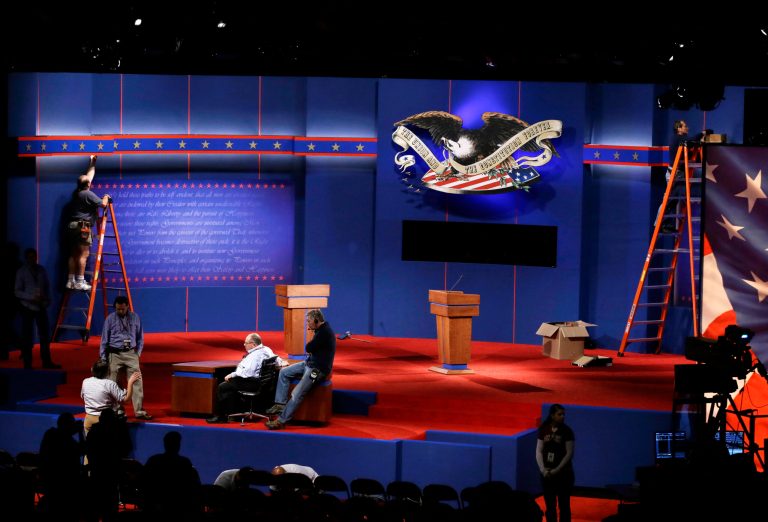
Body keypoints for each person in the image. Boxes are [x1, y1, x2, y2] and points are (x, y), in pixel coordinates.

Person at [265, 309, 336, 430]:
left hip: (317, 370)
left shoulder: (324, 333)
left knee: (297, 393)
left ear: (316, 320)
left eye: (309, 321)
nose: (307, 324)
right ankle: (280, 404)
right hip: (309, 363)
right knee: (284, 372)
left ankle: (281, 421)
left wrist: (312, 346)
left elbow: (308, 347)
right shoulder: (320, 330)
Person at [206, 332, 285, 423]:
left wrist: (233, 374)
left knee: (222, 387)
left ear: (253, 344)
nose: (244, 344)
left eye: (246, 343)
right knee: (230, 385)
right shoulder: (266, 349)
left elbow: (248, 373)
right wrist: (281, 362)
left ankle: (220, 417)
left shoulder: (254, 356)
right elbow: (276, 358)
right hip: (261, 383)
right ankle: (233, 413)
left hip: (251, 383)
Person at [100, 295, 152, 420]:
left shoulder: (135, 317)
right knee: (113, 382)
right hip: (114, 354)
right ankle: (118, 410)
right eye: (118, 309)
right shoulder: (110, 319)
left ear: (127, 306)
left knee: (137, 381)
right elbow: (104, 340)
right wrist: (103, 358)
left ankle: (139, 411)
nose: (120, 311)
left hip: (131, 354)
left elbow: (140, 338)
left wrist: (137, 354)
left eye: (122, 309)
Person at [66, 154, 110, 291]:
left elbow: (88, 176)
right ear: (88, 185)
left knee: (73, 254)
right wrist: (106, 197)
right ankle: (80, 281)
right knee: (84, 254)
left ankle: (70, 280)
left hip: (72, 226)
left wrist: (92, 162)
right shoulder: (88, 194)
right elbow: (103, 205)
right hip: (83, 227)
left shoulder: (76, 193)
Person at [14, 248, 59, 369]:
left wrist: (47, 300)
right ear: (26, 258)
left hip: (41, 307)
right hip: (27, 307)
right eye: (30, 257)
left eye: (34, 257)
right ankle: (27, 363)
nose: (32, 259)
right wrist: (30, 297)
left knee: (44, 336)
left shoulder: (41, 270)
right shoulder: (21, 272)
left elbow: (47, 286)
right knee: (27, 336)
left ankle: (46, 361)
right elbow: (17, 291)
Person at [142, 430, 201, 514]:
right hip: (178, 507)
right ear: (178, 445)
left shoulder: (153, 460)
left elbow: (143, 481)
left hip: (154, 505)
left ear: (165, 444)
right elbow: (194, 486)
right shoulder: (184, 462)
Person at [81, 359, 141, 435]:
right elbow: (126, 401)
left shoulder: (85, 381)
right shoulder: (110, 384)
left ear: (92, 369)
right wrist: (130, 383)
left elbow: (83, 396)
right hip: (105, 421)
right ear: (108, 372)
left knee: (90, 445)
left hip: (89, 420)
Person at [536, 404, 575, 522]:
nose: (562, 416)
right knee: (550, 506)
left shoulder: (567, 431)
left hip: (564, 474)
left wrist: (556, 470)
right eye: (559, 414)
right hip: (547, 475)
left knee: (564, 506)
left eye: (563, 414)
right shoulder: (544, 429)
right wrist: (543, 470)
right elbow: (538, 451)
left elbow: (569, 453)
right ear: (552, 415)